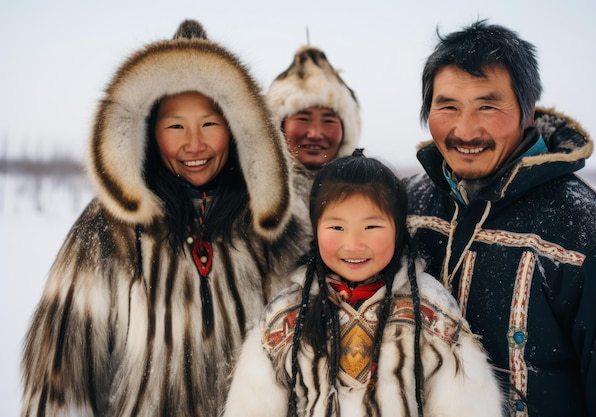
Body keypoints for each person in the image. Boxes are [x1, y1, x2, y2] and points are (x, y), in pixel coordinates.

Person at [20, 19, 305, 416]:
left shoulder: (278, 229)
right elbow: (60, 382)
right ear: (149, 133)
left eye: (210, 123)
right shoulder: (109, 229)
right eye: (175, 126)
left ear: (239, 128)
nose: (194, 143)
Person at [404, 19, 596, 416]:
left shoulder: (590, 235)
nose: (465, 130)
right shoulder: (407, 207)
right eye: (447, 106)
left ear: (528, 112)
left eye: (488, 106)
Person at [222, 150, 504, 417]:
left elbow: (467, 405)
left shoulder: (431, 311)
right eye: (336, 227)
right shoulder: (286, 317)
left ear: (398, 230)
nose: (354, 244)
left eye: (371, 227)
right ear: (315, 229)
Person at [267, 45, 361, 229]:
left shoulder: (367, 193)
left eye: (328, 120)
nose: (315, 134)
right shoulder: (249, 197)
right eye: (303, 119)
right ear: (278, 126)